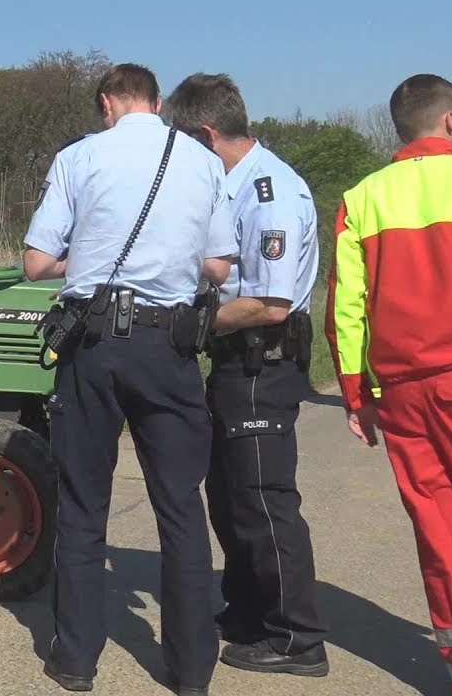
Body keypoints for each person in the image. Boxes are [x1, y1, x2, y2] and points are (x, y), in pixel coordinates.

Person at [23, 63, 237, 696]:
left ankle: (76, 660)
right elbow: (220, 266)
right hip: (167, 348)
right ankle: (193, 669)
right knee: (180, 506)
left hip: (93, 346)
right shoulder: (201, 162)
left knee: (86, 504)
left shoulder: (80, 158)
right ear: (159, 101)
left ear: (106, 104)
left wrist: (86, 253)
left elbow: (36, 262)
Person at [326, 74, 452, 696]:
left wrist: (356, 393)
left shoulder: (361, 198)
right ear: (451, 121)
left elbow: (346, 307)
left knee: (439, 537)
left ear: (398, 128)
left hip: (400, 392)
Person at [164, 74, 330, 677]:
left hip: (266, 354)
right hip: (239, 359)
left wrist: (198, 325)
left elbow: (271, 302)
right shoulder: (234, 185)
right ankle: (248, 613)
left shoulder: (268, 191)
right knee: (229, 495)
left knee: (263, 498)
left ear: (207, 135)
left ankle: (297, 635)